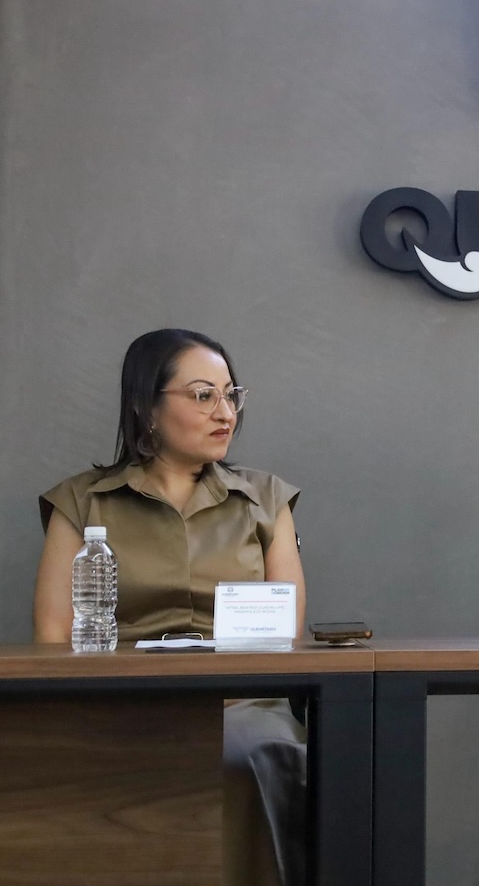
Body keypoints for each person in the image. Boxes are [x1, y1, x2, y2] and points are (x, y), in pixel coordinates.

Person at [33, 328, 308, 886]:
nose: (225, 412)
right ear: (147, 409)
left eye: (231, 395)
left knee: (247, 750)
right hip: (119, 704)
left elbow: (287, 635)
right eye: (203, 395)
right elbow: (53, 638)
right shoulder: (81, 502)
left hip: (242, 703)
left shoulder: (267, 499)